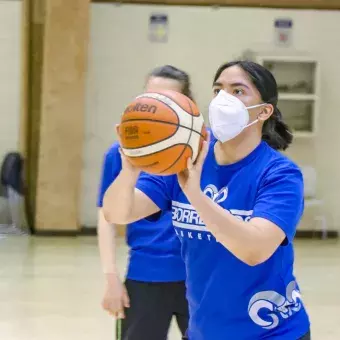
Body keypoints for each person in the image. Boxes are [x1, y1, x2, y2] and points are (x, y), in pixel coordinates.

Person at [103, 60, 311, 340]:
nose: (224, 99)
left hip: (272, 332)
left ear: (264, 111)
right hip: (205, 331)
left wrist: (196, 196)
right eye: (218, 89)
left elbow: (254, 250)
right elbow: (117, 213)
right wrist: (130, 169)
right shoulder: (187, 155)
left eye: (238, 91)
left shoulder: (279, 174)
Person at [97, 65, 192, 340]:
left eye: (168, 98)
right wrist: (111, 278)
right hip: (145, 274)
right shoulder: (120, 153)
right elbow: (107, 217)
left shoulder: (201, 150)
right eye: (151, 96)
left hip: (199, 277)